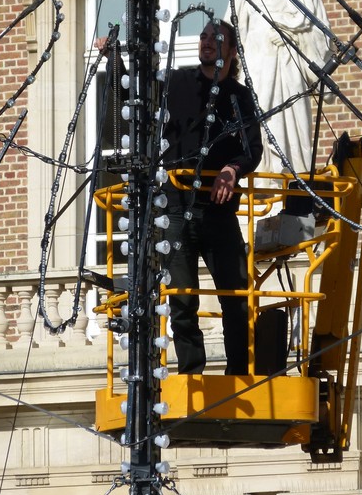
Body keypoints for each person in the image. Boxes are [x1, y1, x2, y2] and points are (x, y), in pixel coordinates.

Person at [99, 20, 263, 374]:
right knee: (182, 299)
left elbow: (253, 149)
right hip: (174, 207)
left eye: (216, 38)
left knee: (236, 296)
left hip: (219, 211)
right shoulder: (176, 83)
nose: (206, 42)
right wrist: (114, 58)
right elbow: (133, 99)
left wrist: (232, 169)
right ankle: (192, 372)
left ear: (231, 51)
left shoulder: (239, 97)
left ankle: (239, 372)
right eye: (203, 36)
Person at [233, 0, 332, 175]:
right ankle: (255, 175)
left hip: (287, 68)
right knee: (253, 120)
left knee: (285, 123)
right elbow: (231, 28)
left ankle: (288, 179)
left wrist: (290, 35)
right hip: (254, 64)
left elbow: (319, 31)